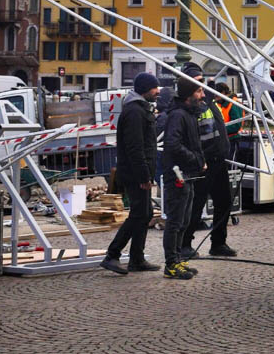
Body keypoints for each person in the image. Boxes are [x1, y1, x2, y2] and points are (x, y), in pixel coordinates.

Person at [102, 72, 162, 274]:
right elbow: (135, 148)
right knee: (138, 214)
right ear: (145, 89)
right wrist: (144, 176)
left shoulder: (140, 109)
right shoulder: (135, 112)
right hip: (135, 174)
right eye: (155, 88)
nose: (158, 91)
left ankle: (137, 258)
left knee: (144, 214)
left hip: (138, 172)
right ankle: (113, 255)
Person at [180, 62, 238, 259]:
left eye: (202, 81)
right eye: (197, 82)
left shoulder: (208, 98)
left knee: (224, 201)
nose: (201, 86)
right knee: (196, 204)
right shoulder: (188, 105)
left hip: (218, 159)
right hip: (203, 162)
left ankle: (218, 243)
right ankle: (184, 244)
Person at [160, 71, 207, 279]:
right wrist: (196, 159)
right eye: (199, 90)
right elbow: (173, 145)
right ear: (189, 94)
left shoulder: (188, 114)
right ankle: (171, 264)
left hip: (187, 173)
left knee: (184, 220)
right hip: (178, 175)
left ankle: (178, 260)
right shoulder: (179, 115)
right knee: (175, 221)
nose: (203, 94)